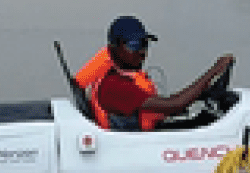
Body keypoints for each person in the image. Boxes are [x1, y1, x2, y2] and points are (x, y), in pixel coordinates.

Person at [74, 16, 234, 131]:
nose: (142, 52)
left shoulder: (121, 77)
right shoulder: (114, 87)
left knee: (205, 119)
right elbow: (174, 104)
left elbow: (169, 103)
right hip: (135, 147)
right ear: (114, 48)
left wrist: (202, 94)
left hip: (145, 136)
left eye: (145, 44)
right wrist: (214, 71)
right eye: (134, 45)